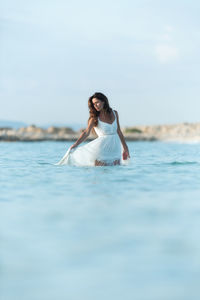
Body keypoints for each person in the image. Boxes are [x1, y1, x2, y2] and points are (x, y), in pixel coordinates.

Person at [56, 92, 130, 167]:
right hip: (101, 148)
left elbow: (119, 131)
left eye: (97, 102)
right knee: (100, 172)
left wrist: (125, 148)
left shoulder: (114, 113)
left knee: (115, 172)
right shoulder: (94, 117)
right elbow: (86, 133)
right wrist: (75, 144)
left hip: (115, 148)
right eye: (93, 104)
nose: (95, 105)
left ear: (103, 101)